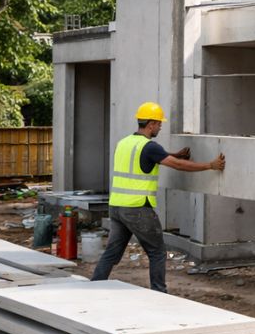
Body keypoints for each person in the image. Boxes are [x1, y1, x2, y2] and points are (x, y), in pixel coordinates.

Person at [94, 102, 226, 293]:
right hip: (138, 208)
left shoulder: (124, 143)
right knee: (157, 252)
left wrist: (173, 154)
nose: (160, 127)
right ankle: (159, 294)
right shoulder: (149, 146)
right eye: (159, 124)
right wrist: (210, 165)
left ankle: (95, 286)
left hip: (116, 207)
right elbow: (178, 166)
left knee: (112, 253)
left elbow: (148, 157)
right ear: (151, 124)